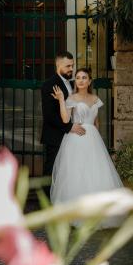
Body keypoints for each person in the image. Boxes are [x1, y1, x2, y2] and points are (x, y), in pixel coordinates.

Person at [50, 67, 123, 206]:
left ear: (89, 81)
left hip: (93, 139)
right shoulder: (72, 98)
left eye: (84, 78)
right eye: (78, 78)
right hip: (76, 138)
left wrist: (97, 140)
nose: (80, 80)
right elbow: (65, 120)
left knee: (95, 171)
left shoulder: (95, 99)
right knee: (77, 171)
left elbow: (96, 122)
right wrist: (61, 100)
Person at [41, 51, 86, 179]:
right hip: (56, 136)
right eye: (68, 66)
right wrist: (69, 127)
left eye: (72, 65)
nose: (71, 69)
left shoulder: (73, 84)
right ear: (58, 65)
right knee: (52, 172)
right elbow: (49, 115)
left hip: (73, 138)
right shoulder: (49, 85)